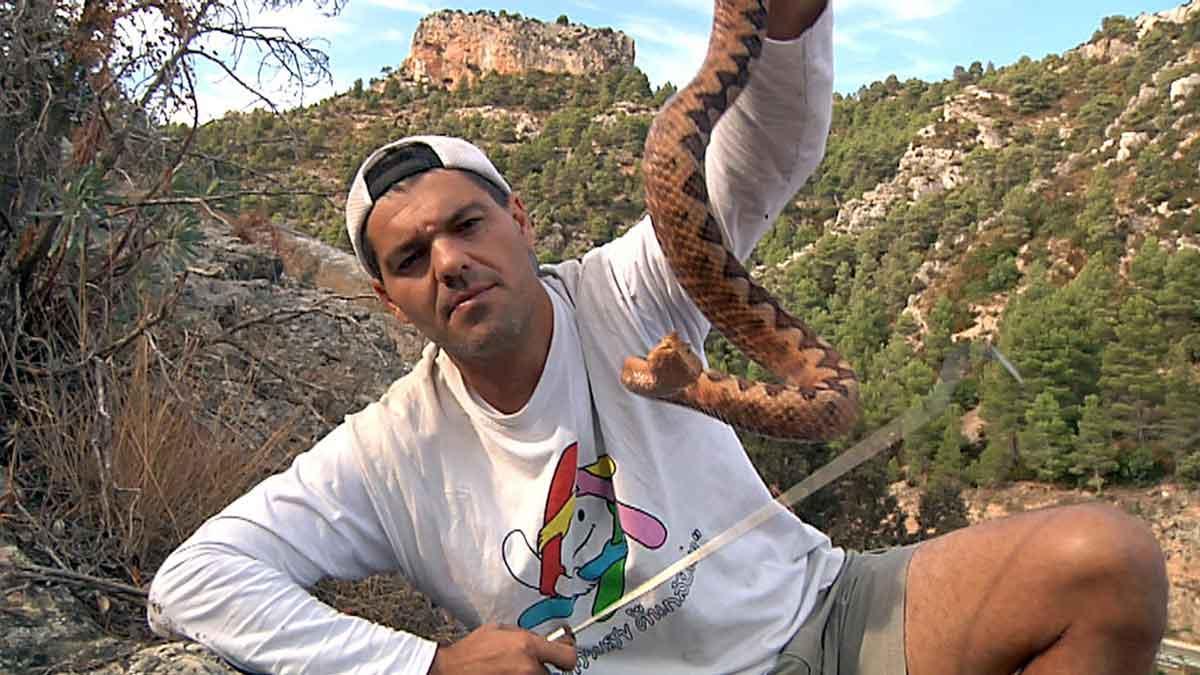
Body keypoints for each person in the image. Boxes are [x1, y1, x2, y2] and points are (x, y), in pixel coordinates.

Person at [148, 1, 1170, 673]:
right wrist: (425, 665)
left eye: (467, 226)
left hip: (820, 618)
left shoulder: (628, 288)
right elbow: (193, 583)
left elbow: (762, 154)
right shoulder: (386, 454)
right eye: (410, 259)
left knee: (1105, 558)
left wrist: (784, 25)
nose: (449, 262)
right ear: (388, 300)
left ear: (521, 223)